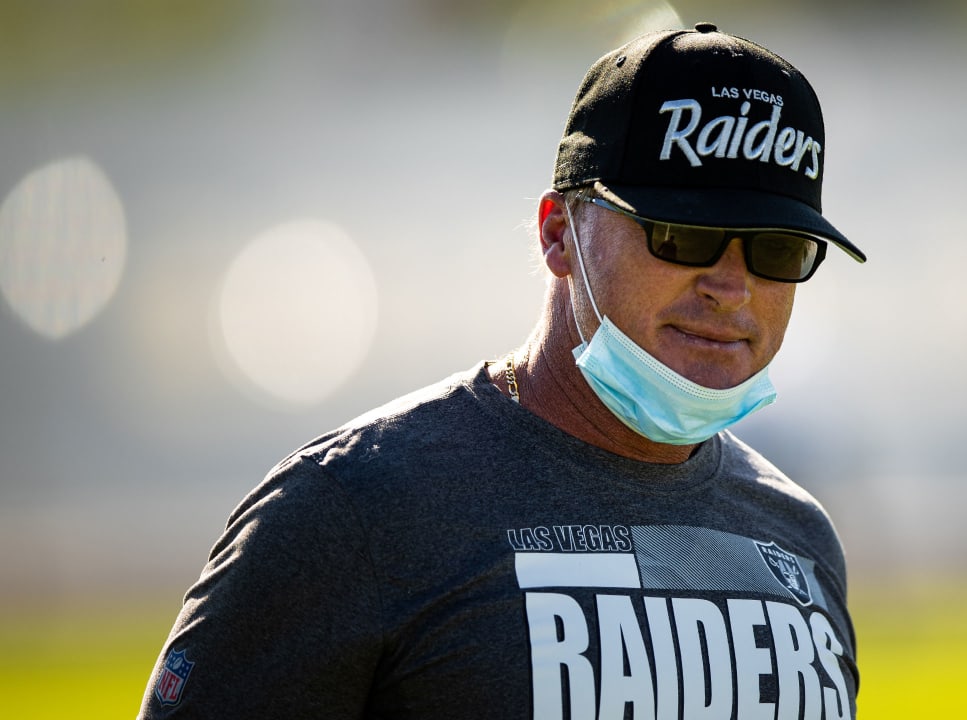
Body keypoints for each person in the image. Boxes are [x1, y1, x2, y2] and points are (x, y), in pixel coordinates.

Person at [140, 21, 867, 719]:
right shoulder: (352, 510)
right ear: (559, 232)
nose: (730, 286)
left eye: (776, 250)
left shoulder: (798, 536)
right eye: (683, 234)